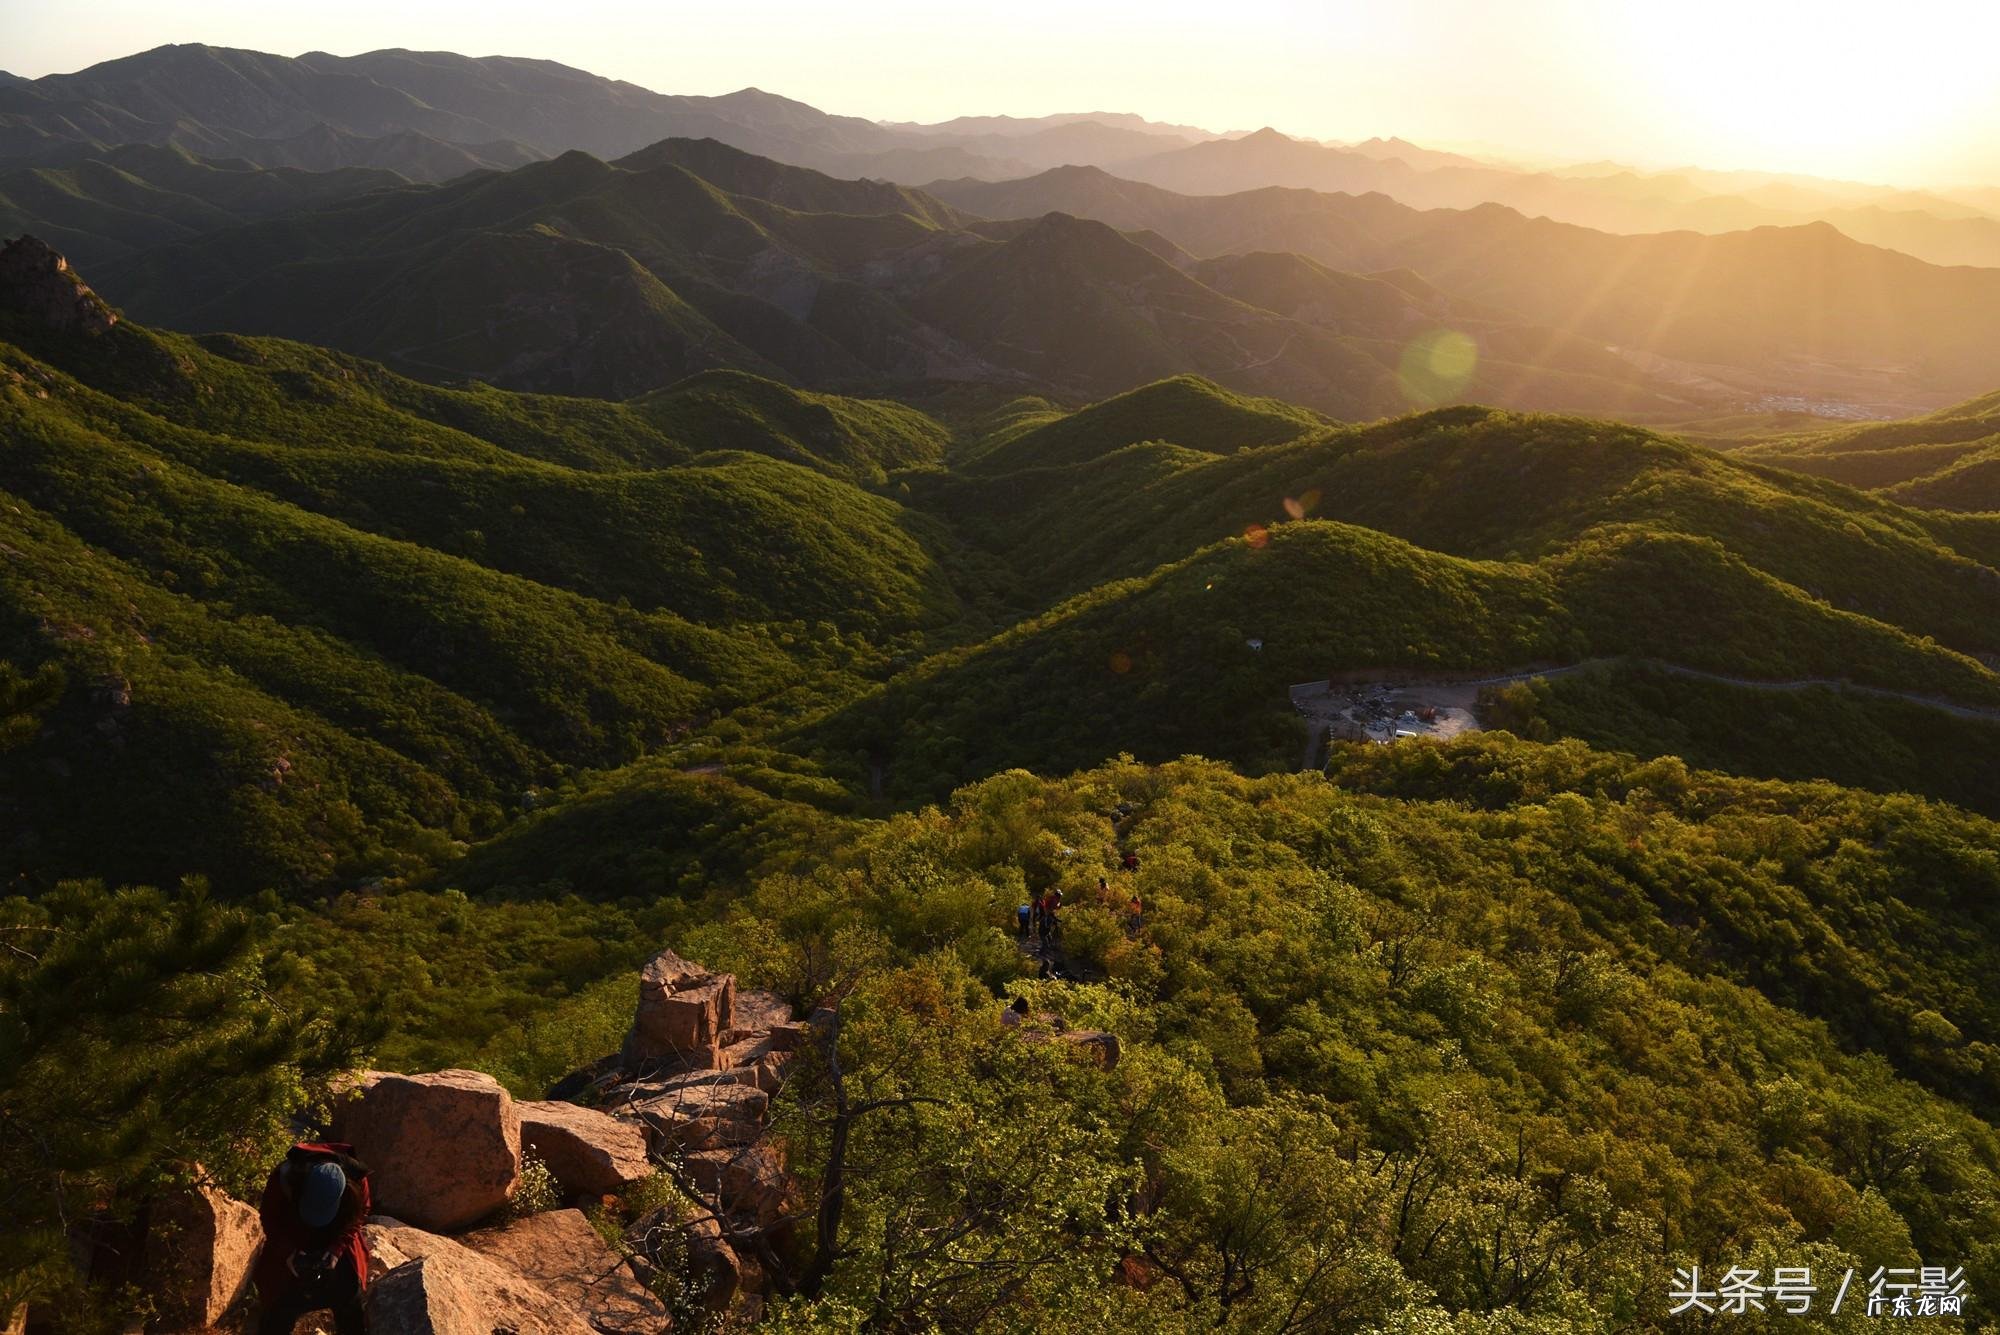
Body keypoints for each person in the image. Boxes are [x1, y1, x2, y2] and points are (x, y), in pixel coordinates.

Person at [254, 1141, 372, 1335]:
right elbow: (269, 1217)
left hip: (337, 1238)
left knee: (350, 1304)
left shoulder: (356, 1178)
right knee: (277, 1309)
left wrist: (336, 1250)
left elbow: (359, 1216)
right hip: (294, 1238)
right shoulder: (285, 1177)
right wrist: (289, 1252)